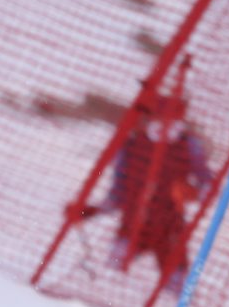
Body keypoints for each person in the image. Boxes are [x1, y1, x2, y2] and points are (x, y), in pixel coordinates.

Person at [36, 90, 213, 292]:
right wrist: (88, 211)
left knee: (177, 286)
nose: (165, 128)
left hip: (169, 227)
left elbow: (207, 185)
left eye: (172, 123)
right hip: (132, 224)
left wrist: (191, 193)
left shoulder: (189, 146)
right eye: (160, 122)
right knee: (111, 278)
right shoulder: (132, 145)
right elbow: (118, 194)